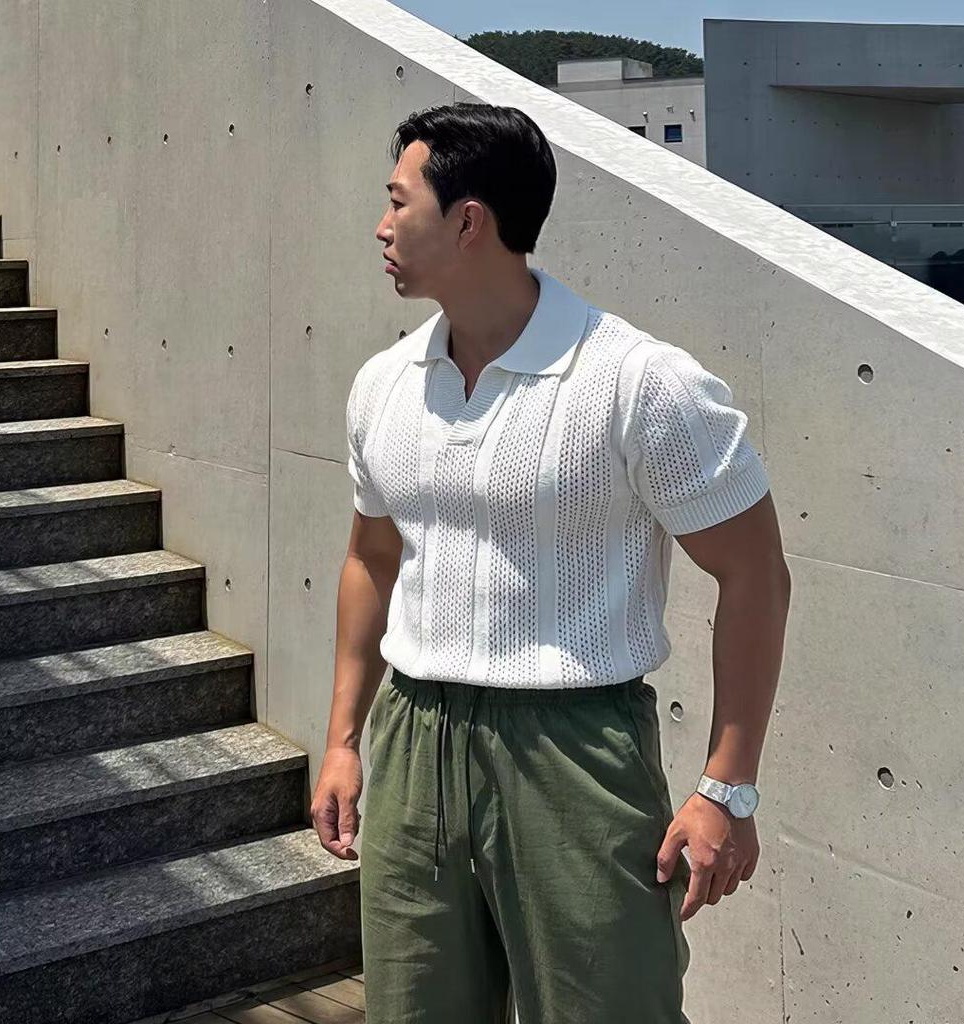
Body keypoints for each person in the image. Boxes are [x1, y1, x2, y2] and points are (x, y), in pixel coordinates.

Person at [310, 101, 791, 1024]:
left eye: (398, 201)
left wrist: (727, 788)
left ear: (469, 221)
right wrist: (342, 740)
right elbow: (371, 558)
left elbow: (756, 573)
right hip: (413, 738)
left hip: (573, 753)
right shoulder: (383, 384)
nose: (381, 225)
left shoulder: (638, 382)